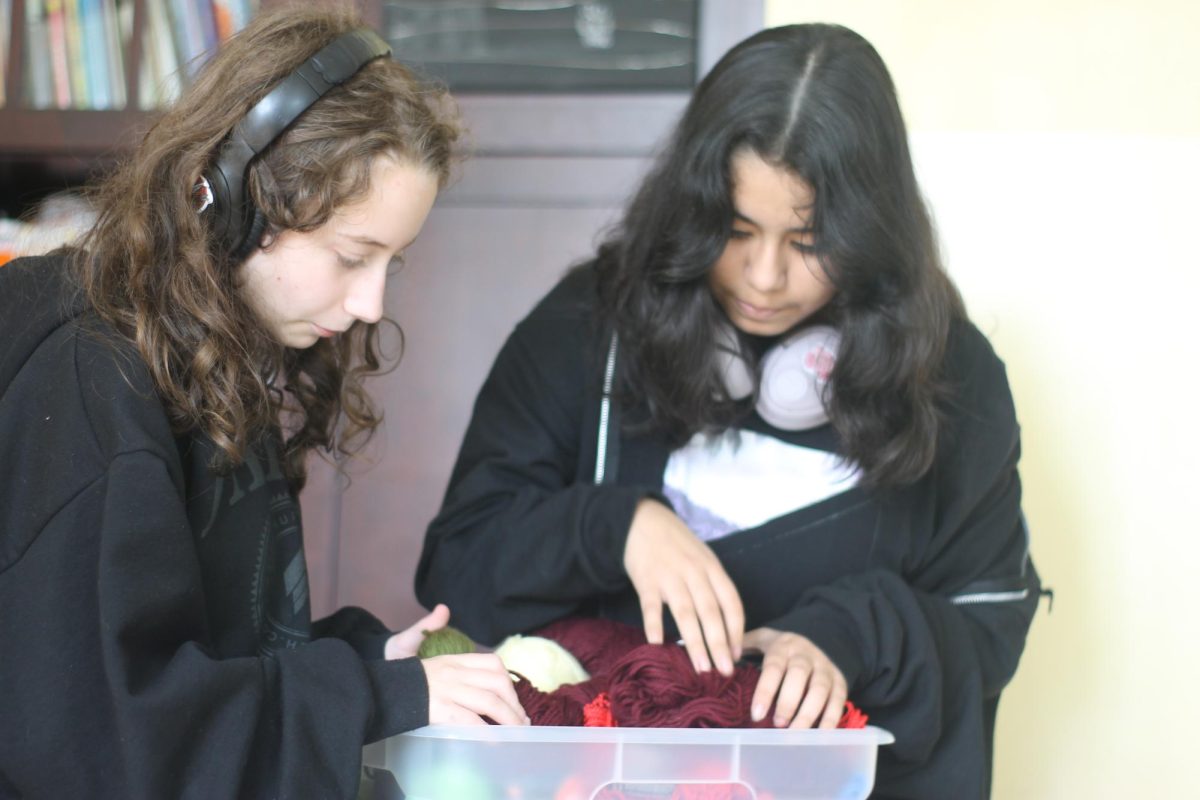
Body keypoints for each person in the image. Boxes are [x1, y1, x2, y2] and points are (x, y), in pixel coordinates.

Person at [416, 23, 1040, 798]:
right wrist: (616, 529)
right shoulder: (587, 330)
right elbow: (458, 565)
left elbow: (990, 616)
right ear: (693, 210)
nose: (766, 278)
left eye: (809, 243)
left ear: (870, 233)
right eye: (736, 232)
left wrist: (851, 635)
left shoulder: (952, 378)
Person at [0, 9, 527, 799]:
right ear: (229, 199)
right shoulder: (90, 379)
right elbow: (116, 741)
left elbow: (203, 654)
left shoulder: (201, 352)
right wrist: (373, 697)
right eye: (353, 256)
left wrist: (359, 659)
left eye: (393, 261)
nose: (372, 304)